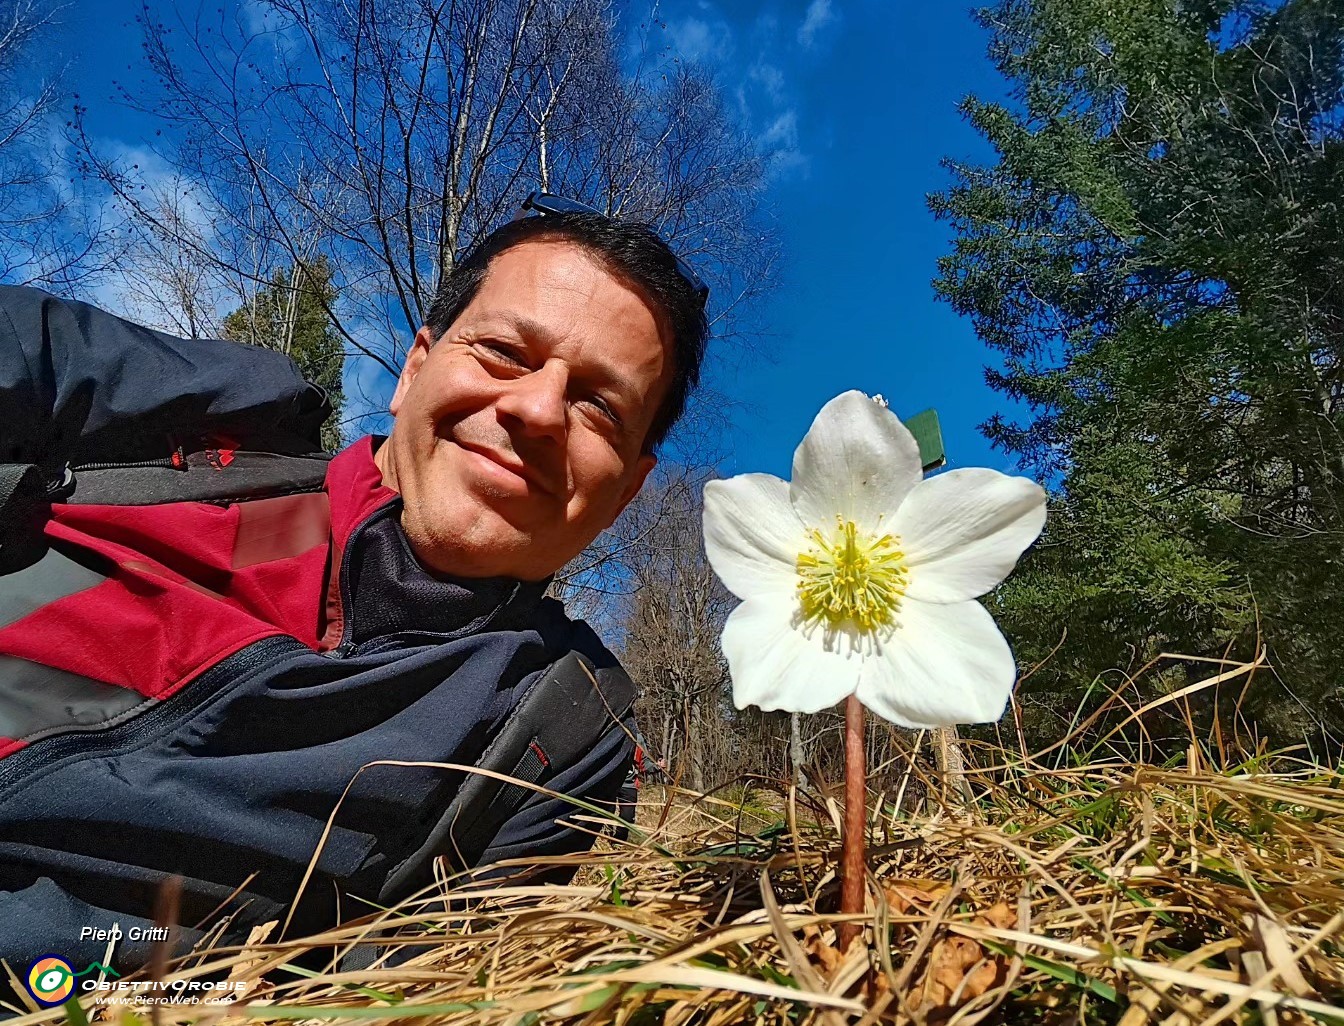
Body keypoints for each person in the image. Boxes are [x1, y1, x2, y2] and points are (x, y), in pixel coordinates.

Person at [0, 195, 709, 979]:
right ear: (414, 368)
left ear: (628, 495)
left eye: (600, 406)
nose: (537, 408)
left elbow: (416, 987)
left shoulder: (566, 735)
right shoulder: (188, 419)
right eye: (506, 351)